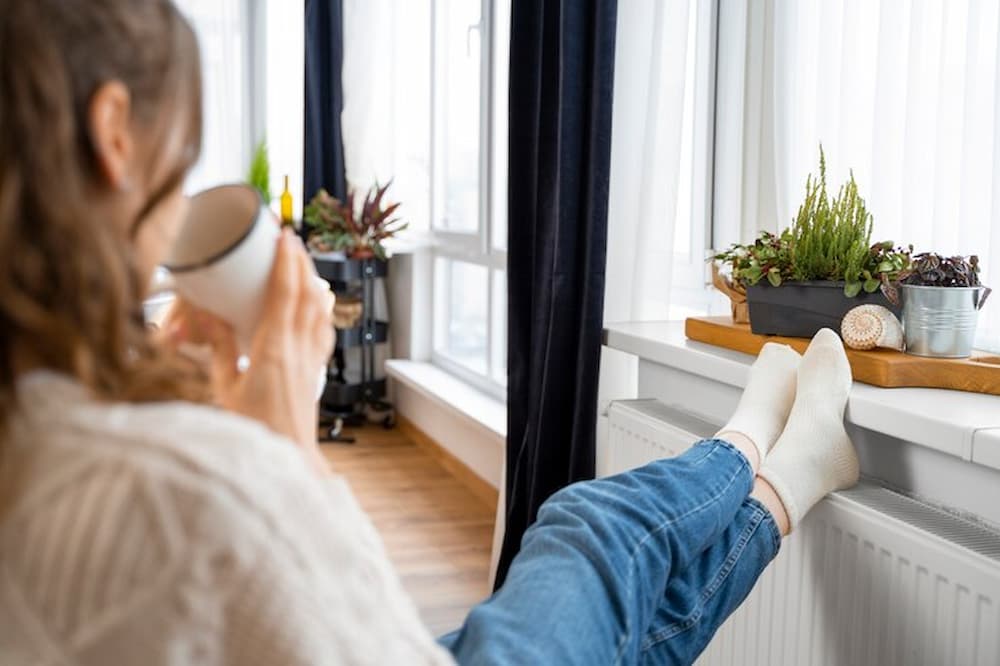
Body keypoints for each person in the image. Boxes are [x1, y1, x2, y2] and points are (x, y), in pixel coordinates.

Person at [0, 2, 860, 664]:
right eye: (179, 151)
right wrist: (281, 443)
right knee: (589, 529)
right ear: (115, 133)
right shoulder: (177, 495)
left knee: (615, 620)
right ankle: (757, 449)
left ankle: (777, 466)